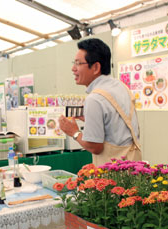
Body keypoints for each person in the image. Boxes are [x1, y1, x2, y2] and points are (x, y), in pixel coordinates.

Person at [58, 38, 141, 166]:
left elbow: (95, 147)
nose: (73, 69)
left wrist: (73, 132)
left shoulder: (94, 99)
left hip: (113, 173)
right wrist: (91, 120)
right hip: (133, 165)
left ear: (96, 67)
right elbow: (117, 125)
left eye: (78, 63)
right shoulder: (121, 86)